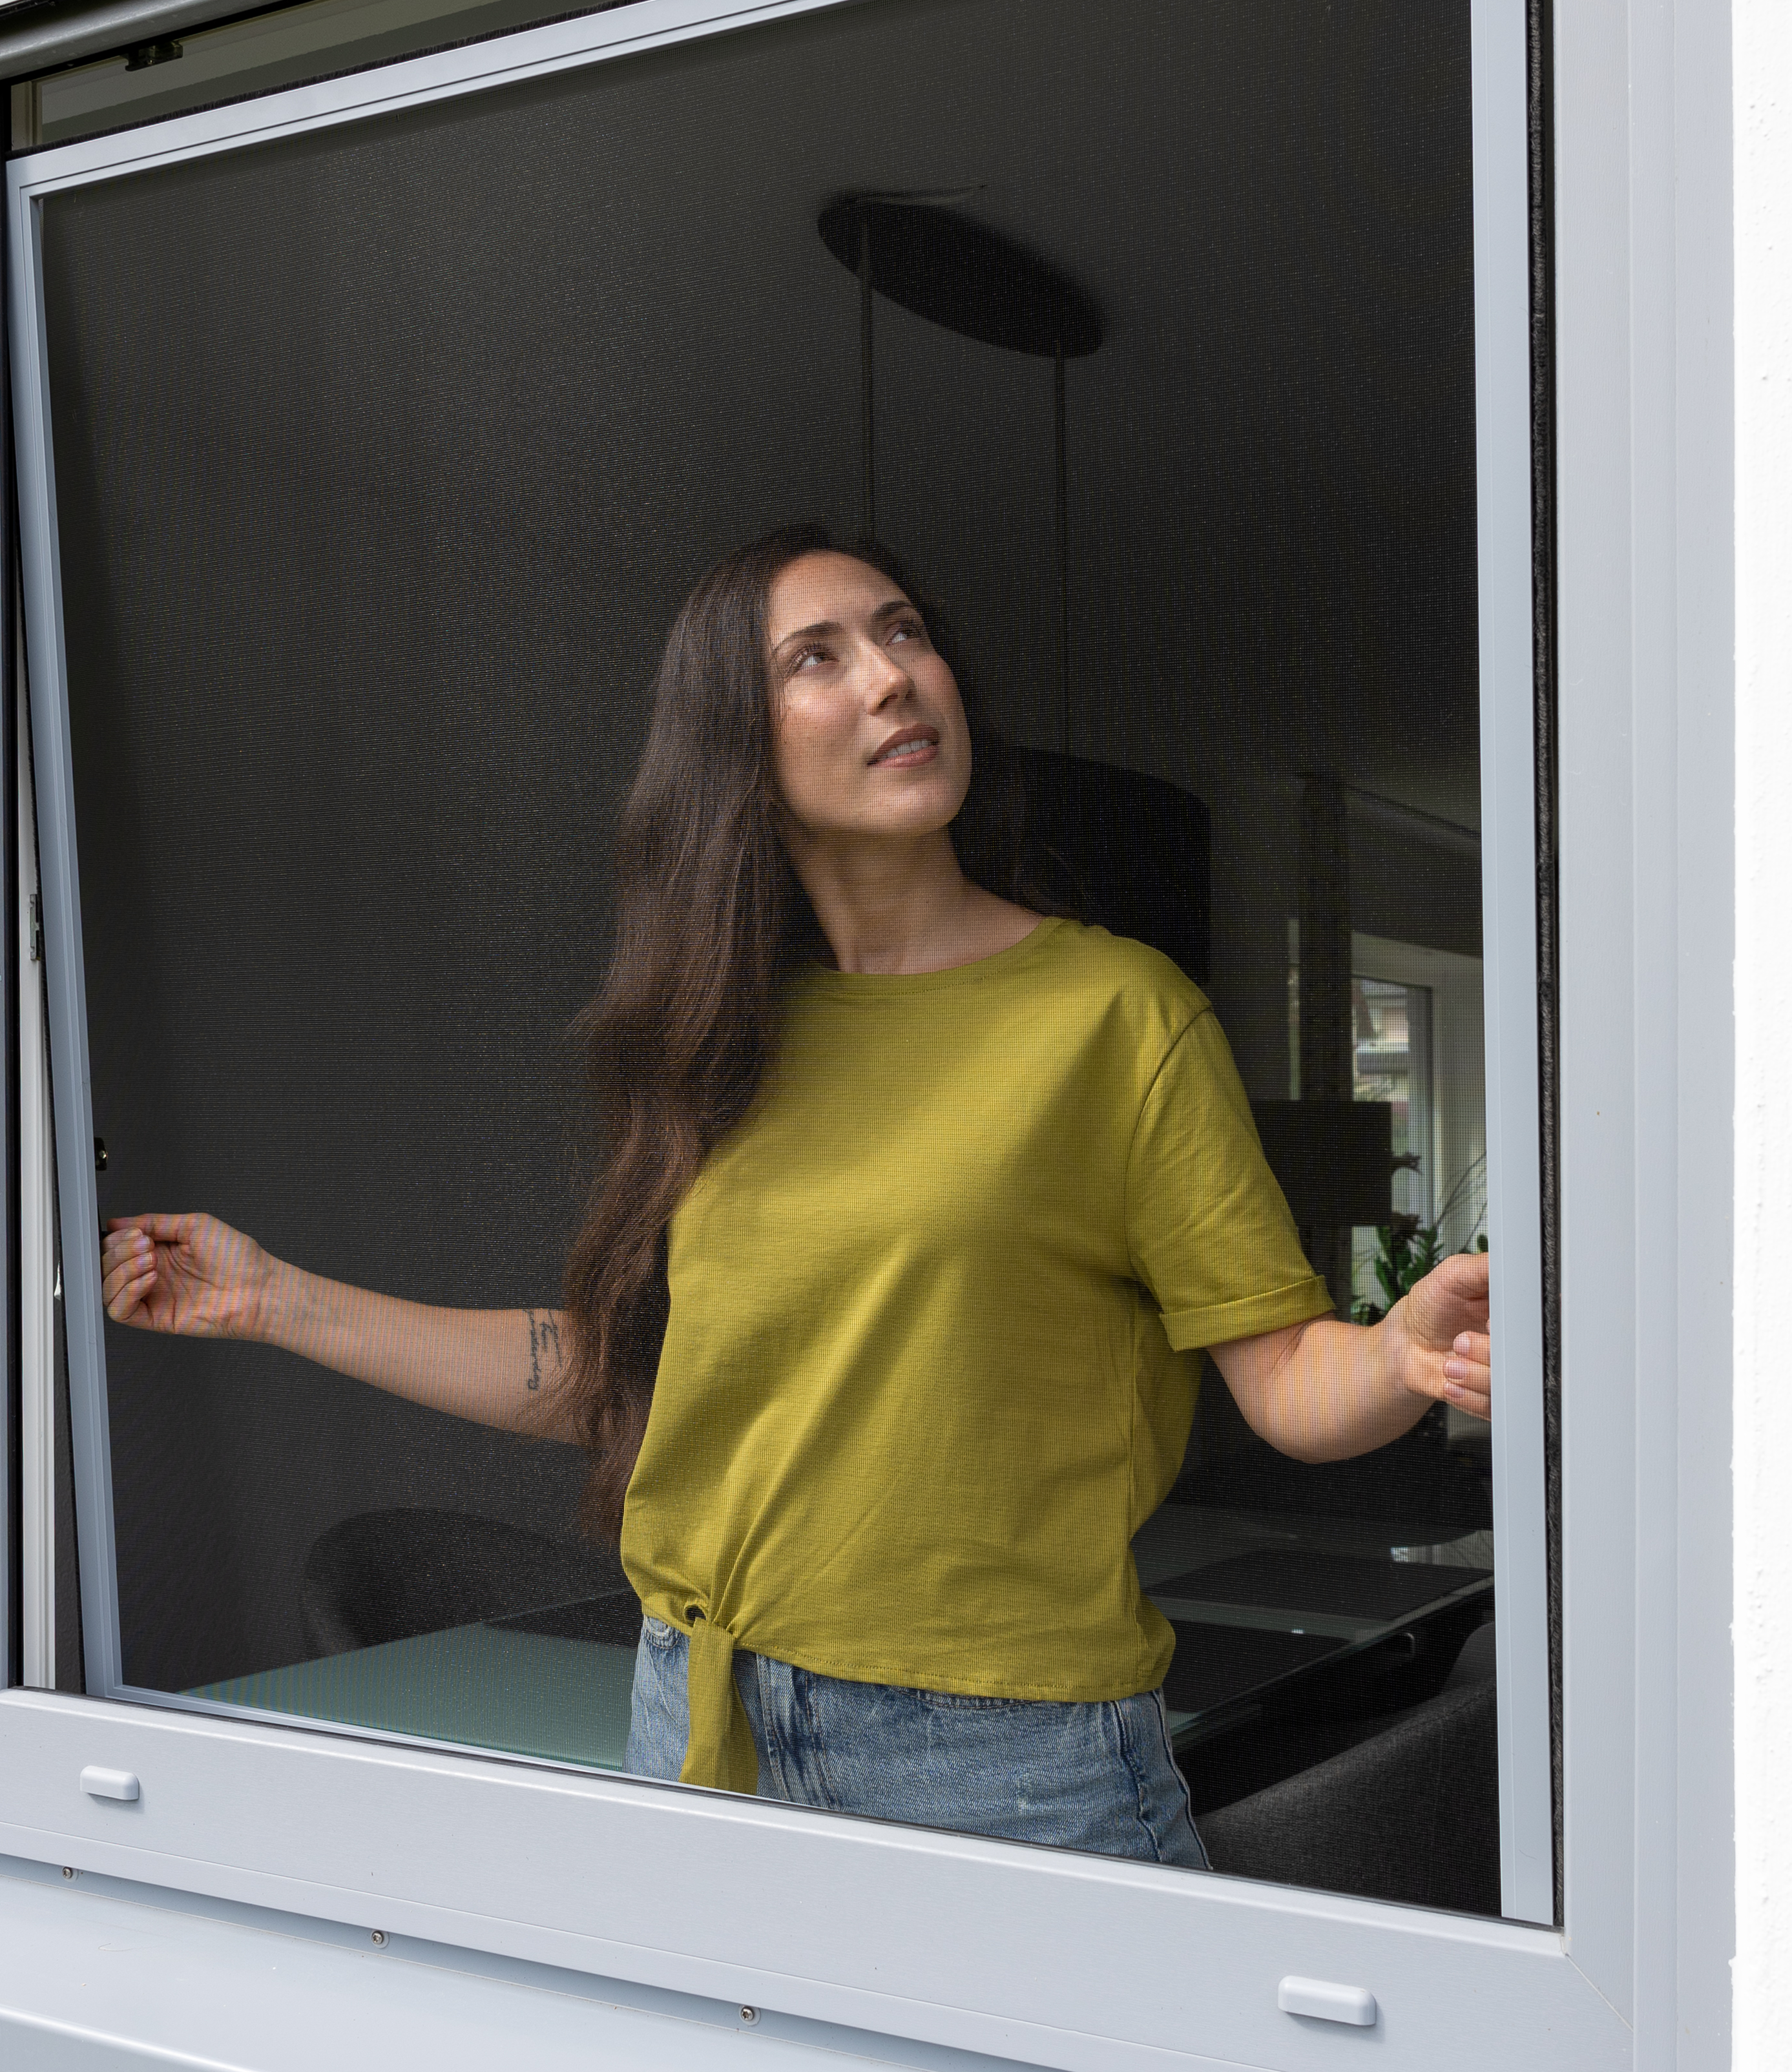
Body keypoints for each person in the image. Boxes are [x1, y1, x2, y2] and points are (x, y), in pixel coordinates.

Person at [101, 524, 1492, 1869]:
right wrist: (272, 1300)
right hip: (698, 1719)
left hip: (998, 1756)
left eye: (904, 633)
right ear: (734, 749)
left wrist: (1398, 1356)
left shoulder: (1116, 1016)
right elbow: (627, 1379)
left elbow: (1284, 1378)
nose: (891, 676)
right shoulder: (721, 1039)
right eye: (814, 657)